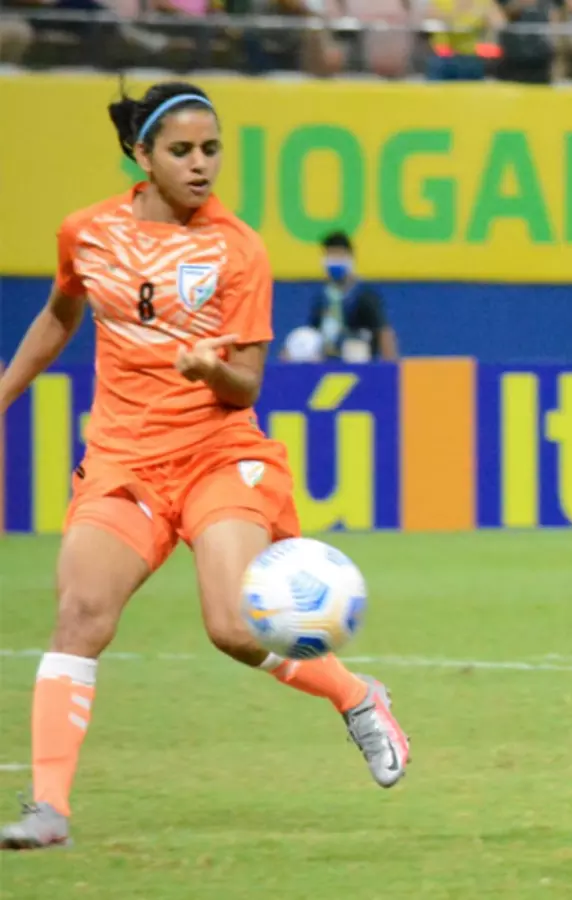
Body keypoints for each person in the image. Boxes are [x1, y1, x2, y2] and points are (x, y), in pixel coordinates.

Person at [0, 81, 411, 851]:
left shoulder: (237, 248)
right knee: (79, 617)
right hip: (123, 461)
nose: (200, 165)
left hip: (218, 455)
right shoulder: (87, 233)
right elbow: (60, 313)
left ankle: (356, 696)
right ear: (142, 154)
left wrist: (207, 369)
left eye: (212, 150)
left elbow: (246, 383)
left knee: (232, 626)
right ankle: (49, 810)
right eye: (182, 151)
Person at [310, 231, 398, 362]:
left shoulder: (364, 294)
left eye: (339, 256)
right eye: (330, 256)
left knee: (354, 348)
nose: (334, 262)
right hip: (327, 357)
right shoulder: (322, 297)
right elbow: (312, 332)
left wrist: (391, 366)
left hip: (359, 357)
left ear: (349, 258)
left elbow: (383, 331)